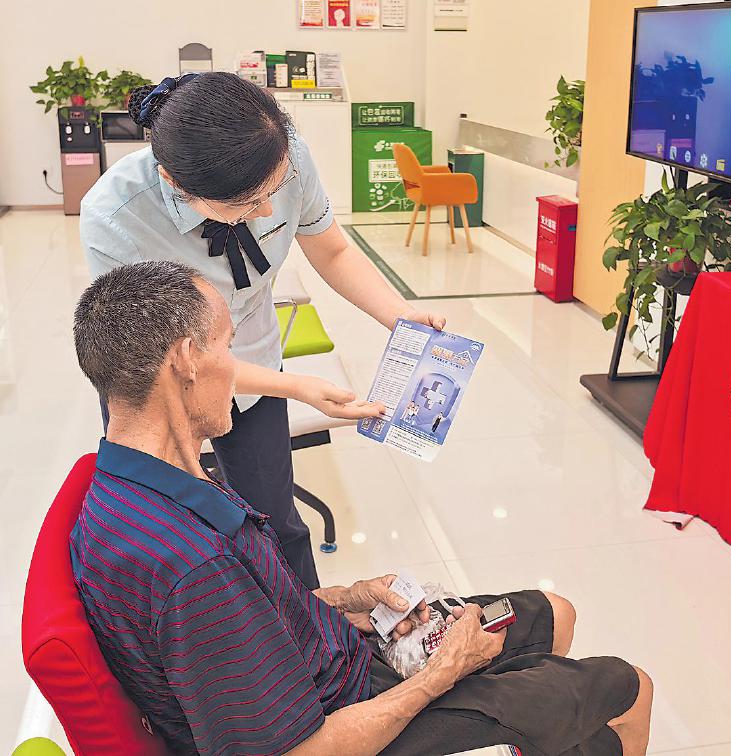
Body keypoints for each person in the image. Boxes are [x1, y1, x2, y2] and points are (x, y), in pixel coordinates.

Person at [69, 261, 653, 756]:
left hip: (333, 659)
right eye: (228, 345)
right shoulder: (193, 567)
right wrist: (442, 674)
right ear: (187, 360)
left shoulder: (145, 480)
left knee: (555, 614)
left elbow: (248, 623)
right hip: (343, 719)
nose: (240, 366)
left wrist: (350, 599)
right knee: (632, 690)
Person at [80, 72, 446, 589]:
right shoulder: (116, 219)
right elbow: (173, 358)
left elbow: (332, 250)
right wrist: (298, 387)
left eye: (273, 192)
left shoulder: (281, 155)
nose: (270, 210)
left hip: (253, 359)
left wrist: (397, 315)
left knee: (276, 522)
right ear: (176, 184)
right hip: (157, 385)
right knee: (172, 540)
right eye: (249, 204)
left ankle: (310, 626)